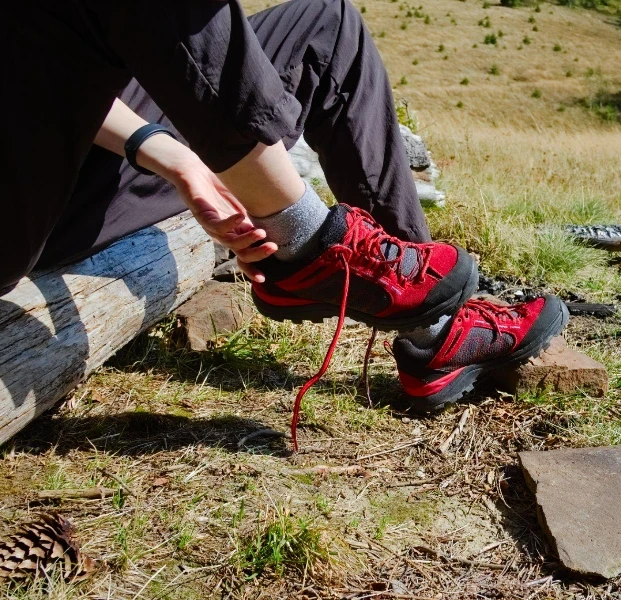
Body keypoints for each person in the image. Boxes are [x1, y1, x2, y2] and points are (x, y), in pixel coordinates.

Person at [1, 0, 568, 444]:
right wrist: (177, 155)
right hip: (37, 191)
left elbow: (58, 51)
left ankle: (426, 318)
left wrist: (167, 149)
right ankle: (312, 246)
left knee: (327, 24)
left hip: (100, 143)